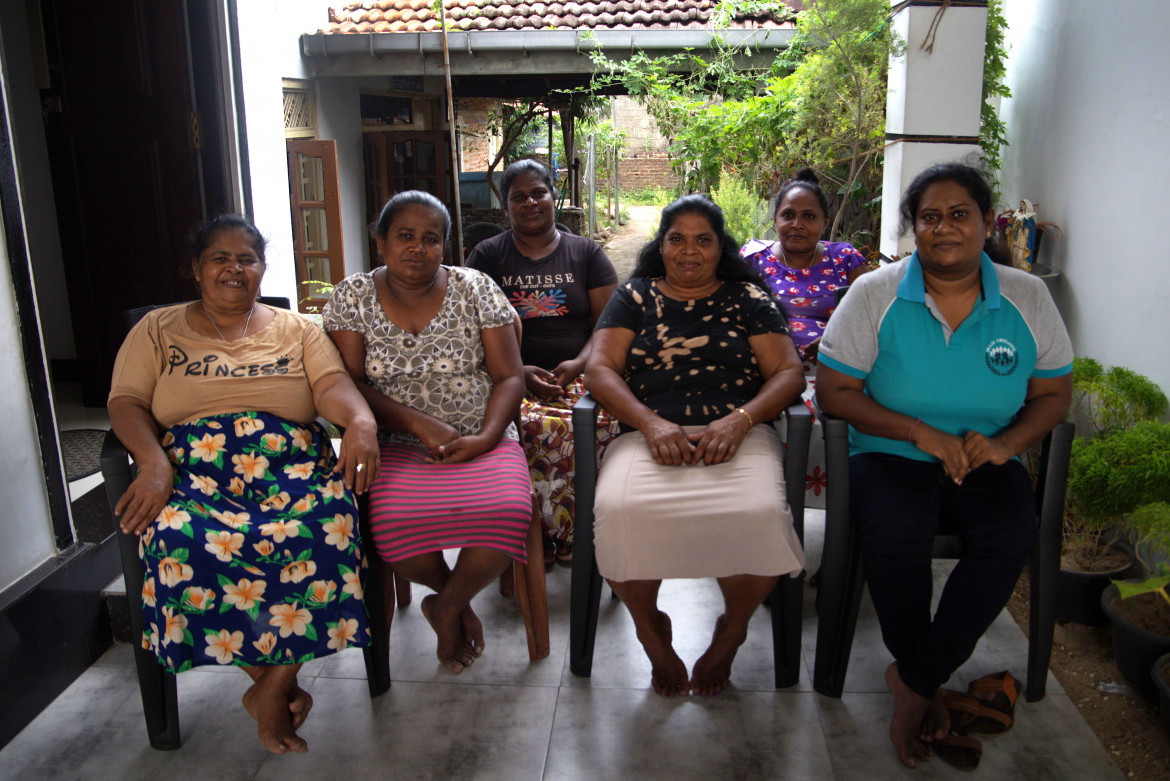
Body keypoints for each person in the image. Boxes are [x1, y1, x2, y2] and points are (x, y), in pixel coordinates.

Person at [815, 163, 1073, 769]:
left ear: (986, 223)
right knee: (896, 534)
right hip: (892, 453)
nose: (944, 228)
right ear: (914, 229)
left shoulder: (1027, 297)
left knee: (1009, 536)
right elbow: (834, 392)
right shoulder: (875, 293)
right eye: (929, 217)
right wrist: (919, 432)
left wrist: (1008, 445)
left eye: (960, 214)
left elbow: (1054, 396)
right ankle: (923, 681)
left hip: (988, 455)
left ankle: (917, 681)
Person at [107, 214, 380, 755]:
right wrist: (153, 464)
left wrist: (362, 422)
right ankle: (272, 686)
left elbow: (330, 386)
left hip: (289, 465)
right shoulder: (157, 329)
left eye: (247, 258)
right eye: (219, 258)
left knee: (329, 529)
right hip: (192, 471)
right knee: (179, 542)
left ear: (262, 269)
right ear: (196, 268)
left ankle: (270, 690)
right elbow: (126, 402)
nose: (234, 268)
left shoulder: (297, 328)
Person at [584, 194, 807, 698]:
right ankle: (650, 631)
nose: (690, 251)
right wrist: (650, 423)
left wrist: (742, 418)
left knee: (762, 513)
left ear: (720, 247)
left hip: (739, 435)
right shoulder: (635, 297)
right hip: (646, 436)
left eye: (702, 239)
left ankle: (732, 629)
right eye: (677, 239)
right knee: (618, 509)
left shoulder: (748, 299)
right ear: (660, 246)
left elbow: (789, 373)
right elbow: (599, 369)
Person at [323, 190, 531, 675]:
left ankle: (446, 606)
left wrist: (484, 437)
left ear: (446, 247)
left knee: (509, 514)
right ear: (381, 242)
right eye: (405, 236)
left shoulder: (474, 287)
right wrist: (416, 422)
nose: (418, 248)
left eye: (431, 239)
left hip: (482, 438)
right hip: (396, 443)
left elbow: (509, 377)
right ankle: (453, 600)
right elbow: (348, 384)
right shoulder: (352, 297)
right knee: (393, 532)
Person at [467, 159, 619, 563]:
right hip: (509, 379)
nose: (530, 202)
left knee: (602, 425)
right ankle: (539, 536)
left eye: (538, 193)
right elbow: (469, 330)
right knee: (530, 428)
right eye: (519, 197)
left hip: (582, 374)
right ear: (506, 206)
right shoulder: (487, 256)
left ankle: (582, 531)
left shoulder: (586, 252)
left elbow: (610, 326)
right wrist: (519, 372)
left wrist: (580, 364)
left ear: (554, 197)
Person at [741, 168, 870, 367]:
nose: (797, 224)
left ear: (824, 223)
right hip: (762, 370)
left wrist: (835, 341)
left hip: (832, 371)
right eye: (788, 215)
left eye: (809, 217)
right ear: (775, 219)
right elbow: (727, 315)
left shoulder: (845, 260)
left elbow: (871, 319)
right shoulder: (753, 259)